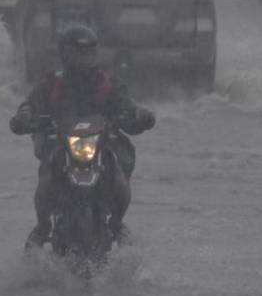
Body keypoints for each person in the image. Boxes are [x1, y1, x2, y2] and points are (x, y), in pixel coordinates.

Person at [9, 24, 156, 248]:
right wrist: (24, 116)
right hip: (61, 149)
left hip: (101, 148)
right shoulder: (53, 83)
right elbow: (31, 104)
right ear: (65, 54)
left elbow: (127, 104)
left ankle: (116, 223)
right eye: (79, 53)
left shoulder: (107, 82)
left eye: (90, 53)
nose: (85, 58)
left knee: (118, 173)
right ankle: (42, 227)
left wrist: (139, 114)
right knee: (47, 179)